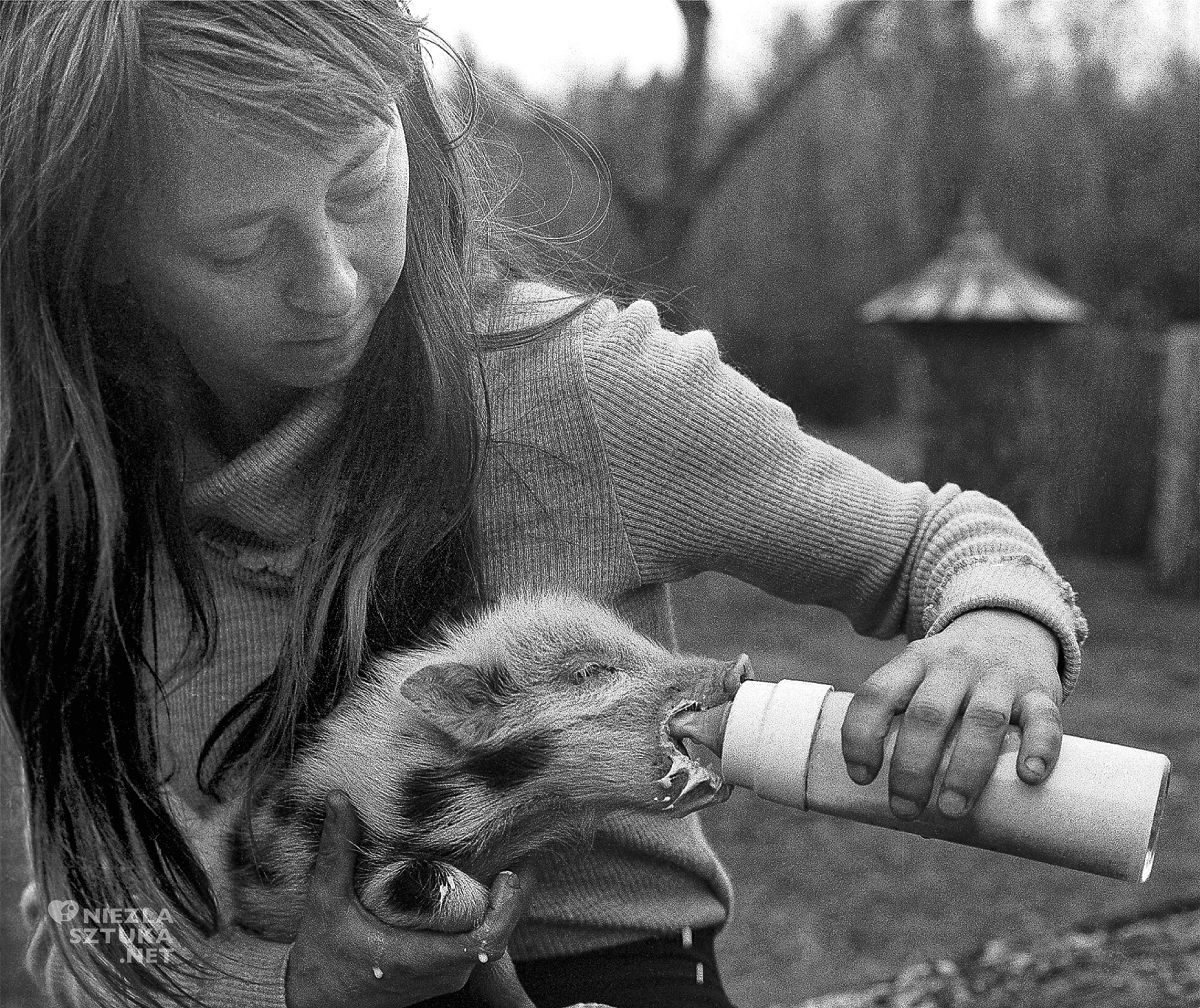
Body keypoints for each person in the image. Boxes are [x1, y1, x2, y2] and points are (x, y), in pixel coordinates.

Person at [0, 3, 1086, 1007]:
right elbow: (95, 928)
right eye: (238, 243)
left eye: (357, 182)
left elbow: (932, 542)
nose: (331, 284)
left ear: (411, 123)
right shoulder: (45, 499)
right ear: (99, 253)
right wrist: (292, 992)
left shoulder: (584, 386)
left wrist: (1002, 627)